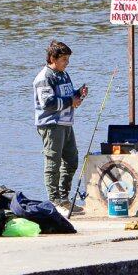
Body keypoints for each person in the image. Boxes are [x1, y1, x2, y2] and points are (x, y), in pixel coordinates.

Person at [34, 40, 88, 208]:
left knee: (72, 160)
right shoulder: (44, 77)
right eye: (64, 59)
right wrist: (71, 100)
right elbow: (48, 103)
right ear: (52, 58)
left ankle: (64, 198)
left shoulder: (63, 74)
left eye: (67, 59)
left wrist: (78, 94)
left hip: (66, 124)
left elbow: (68, 96)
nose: (67, 63)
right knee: (53, 162)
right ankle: (54, 201)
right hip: (50, 125)